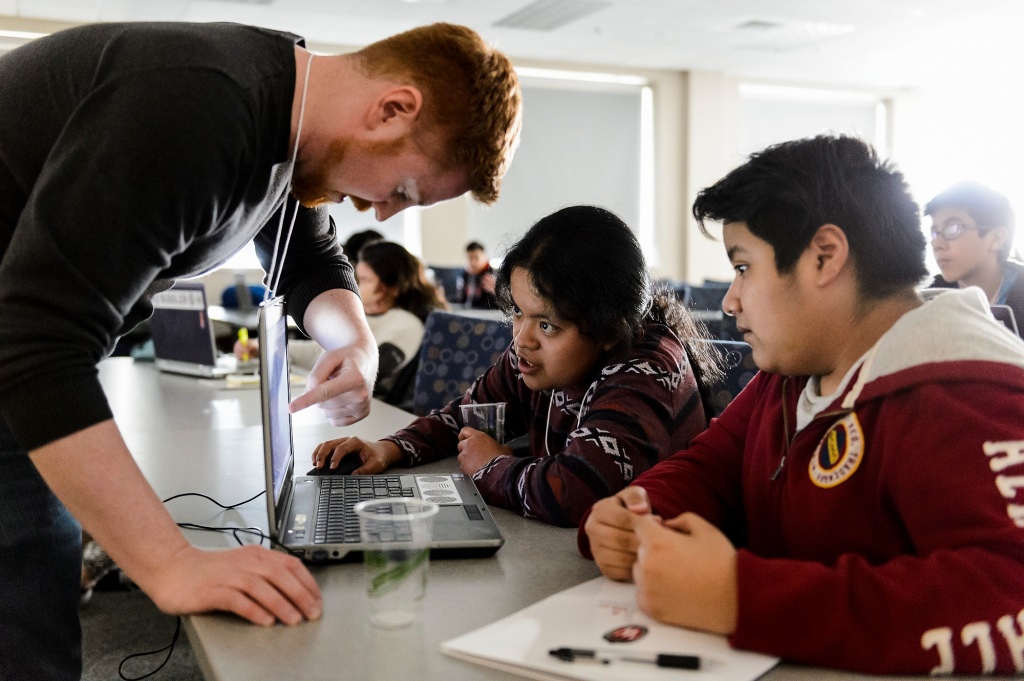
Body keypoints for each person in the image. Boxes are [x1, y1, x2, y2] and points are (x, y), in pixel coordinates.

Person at [0, 20, 521, 681]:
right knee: (25, 594)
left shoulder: (286, 115)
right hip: (17, 342)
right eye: (406, 190)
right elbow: (37, 340)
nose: (384, 214)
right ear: (394, 109)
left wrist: (356, 343)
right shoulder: (200, 105)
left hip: (18, 339)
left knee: (40, 578)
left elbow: (307, 254)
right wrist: (170, 565)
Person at [579, 135, 1024, 675]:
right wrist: (636, 512)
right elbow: (712, 465)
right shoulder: (796, 371)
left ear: (825, 257)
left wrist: (743, 598)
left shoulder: (967, 391)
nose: (730, 299)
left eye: (743, 267)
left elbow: (1010, 596)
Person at [310, 205, 721, 527]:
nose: (521, 338)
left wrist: (491, 465)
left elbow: (574, 493)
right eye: (517, 314)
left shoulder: (646, 369)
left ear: (609, 328)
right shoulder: (535, 353)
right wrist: (389, 448)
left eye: (546, 324)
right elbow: (467, 414)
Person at [243, 240, 446, 400]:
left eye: (365, 280)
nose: (355, 285)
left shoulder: (406, 324)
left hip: (367, 412)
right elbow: (319, 352)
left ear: (391, 287)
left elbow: (368, 368)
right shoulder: (365, 317)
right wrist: (270, 348)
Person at [924, 181, 1024, 326]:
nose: (937, 244)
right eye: (934, 232)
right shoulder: (931, 298)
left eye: (952, 228)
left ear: (997, 238)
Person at [460, 240, 499, 308]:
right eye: (470, 258)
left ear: (485, 256)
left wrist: (497, 291)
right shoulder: (467, 275)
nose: (473, 262)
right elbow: (463, 300)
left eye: (476, 258)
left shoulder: (494, 275)